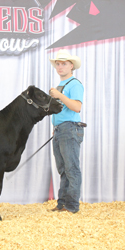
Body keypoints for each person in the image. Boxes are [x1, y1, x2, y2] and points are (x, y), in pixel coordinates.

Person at [48, 49, 85, 213]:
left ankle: (71, 206)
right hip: (61, 130)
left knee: (71, 169)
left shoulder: (75, 84)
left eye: (63, 64)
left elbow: (77, 107)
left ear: (71, 66)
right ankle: (62, 204)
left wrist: (58, 95)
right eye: (58, 64)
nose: (60, 67)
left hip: (69, 129)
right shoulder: (61, 85)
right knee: (63, 169)